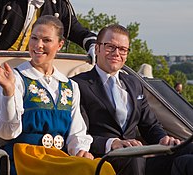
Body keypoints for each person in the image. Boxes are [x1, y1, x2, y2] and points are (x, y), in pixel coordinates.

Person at [0, 15, 114, 175]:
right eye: (34, 38)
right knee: (89, 169)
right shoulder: (16, 78)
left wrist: (81, 150)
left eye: (46, 40)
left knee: (103, 167)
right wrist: (8, 92)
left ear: (60, 45)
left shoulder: (70, 86)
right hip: (26, 158)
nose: (38, 45)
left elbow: (76, 132)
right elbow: (7, 132)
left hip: (58, 157)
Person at [72, 24, 193, 175]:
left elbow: (150, 125)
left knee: (188, 152)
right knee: (133, 158)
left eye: (122, 49)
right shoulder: (77, 85)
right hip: (104, 158)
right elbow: (77, 135)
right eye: (110, 47)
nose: (116, 53)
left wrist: (163, 139)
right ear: (97, 48)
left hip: (138, 158)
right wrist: (113, 144)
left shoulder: (134, 83)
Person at [0, 0, 96, 63]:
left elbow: (78, 31)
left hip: (30, 69)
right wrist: (3, 64)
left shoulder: (58, 5)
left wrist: (94, 45)